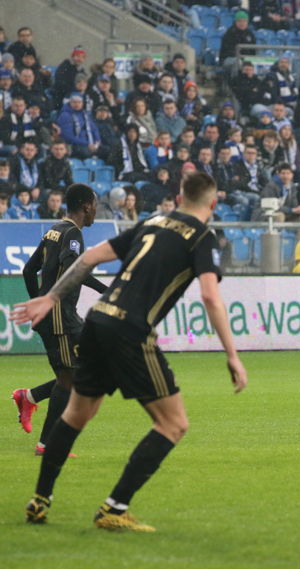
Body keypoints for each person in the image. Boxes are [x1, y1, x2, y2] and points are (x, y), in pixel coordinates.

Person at [13, 172, 247, 531]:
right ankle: (113, 509)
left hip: (97, 320)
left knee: (77, 413)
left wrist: (50, 296)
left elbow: (90, 256)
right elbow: (211, 295)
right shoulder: (202, 236)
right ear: (213, 205)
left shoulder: (151, 221)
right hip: (131, 331)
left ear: (180, 196)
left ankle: (40, 500)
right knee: (173, 423)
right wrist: (232, 354)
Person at [13, 184, 107, 455]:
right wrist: (106, 290)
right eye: (95, 205)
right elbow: (74, 269)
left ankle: (28, 398)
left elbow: (29, 269)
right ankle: (47, 444)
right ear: (87, 206)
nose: (96, 211)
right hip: (60, 318)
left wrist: (36, 303)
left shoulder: (54, 229)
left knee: (76, 374)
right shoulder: (73, 234)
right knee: (75, 378)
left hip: (55, 315)